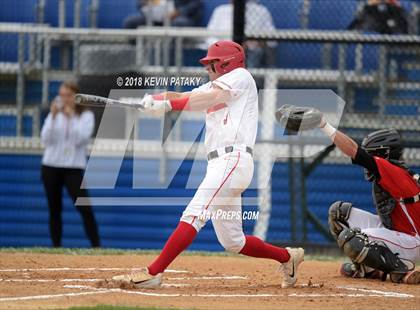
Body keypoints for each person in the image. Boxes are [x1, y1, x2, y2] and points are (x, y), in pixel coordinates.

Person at [112, 40, 304, 288]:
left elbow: (210, 97)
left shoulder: (240, 77)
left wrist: (168, 105)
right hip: (221, 165)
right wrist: (155, 99)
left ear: (226, 63)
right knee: (234, 242)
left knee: (194, 214)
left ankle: (154, 272)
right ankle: (288, 257)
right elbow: (186, 96)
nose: (207, 68)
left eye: (211, 63)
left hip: (232, 160)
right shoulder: (218, 84)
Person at [316, 117, 420, 284]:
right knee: (338, 212)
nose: (369, 158)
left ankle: (401, 269)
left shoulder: (393, 171)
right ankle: (370, 270)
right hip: (397, 230)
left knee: (352, 238)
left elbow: (353, 151)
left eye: (372, 153)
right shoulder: (396, 172)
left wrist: (324, 125)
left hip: (412, 240)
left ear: (385, 154)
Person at [40, 81, 100, 248]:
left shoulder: (86, 116)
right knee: (54, 209)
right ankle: (56, 246)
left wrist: (70, 118)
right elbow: (45, 139)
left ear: (76, 97)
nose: (64, 99)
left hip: (73, 168)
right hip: (51, 166)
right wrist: (52, 117)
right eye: (62, 95)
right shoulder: (54, 115)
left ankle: (96, 246)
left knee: (84, 208)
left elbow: (81, 139)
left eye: (68, 95)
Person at [204, 0, 276, 68]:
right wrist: (225, 48)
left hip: (249, 52)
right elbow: (209, 38)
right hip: (224, 51)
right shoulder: (220, 11)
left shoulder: (261, 11)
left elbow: (272, 40)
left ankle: (248, 79)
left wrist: (254, 44)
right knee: (213, 58)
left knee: (256, 53)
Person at [123, 0, 203, 29]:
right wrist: (145, 2)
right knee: (130, 22)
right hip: (154, 18)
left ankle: (171, 57)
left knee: (178, 23)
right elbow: (139, 4)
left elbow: (197, 3)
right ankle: (138, 56)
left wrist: (178, 12)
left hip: (177, 17)